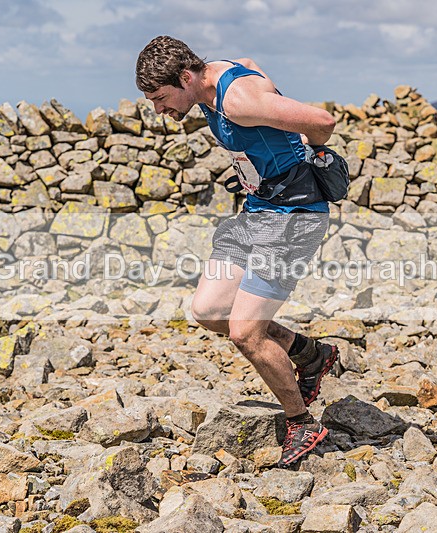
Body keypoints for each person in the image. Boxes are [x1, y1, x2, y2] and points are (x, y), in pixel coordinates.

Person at [136, 35, 339, 467]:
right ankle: (308, 353)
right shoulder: (214, 79)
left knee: (245, 332)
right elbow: (247, 62)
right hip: (258, 208)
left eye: (160, 97)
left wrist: (313, 159)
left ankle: (301, 423)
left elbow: (322, 120)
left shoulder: (238, 100)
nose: (158, 109)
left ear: (185, 77)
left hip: (292, 214)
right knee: (210, 310)